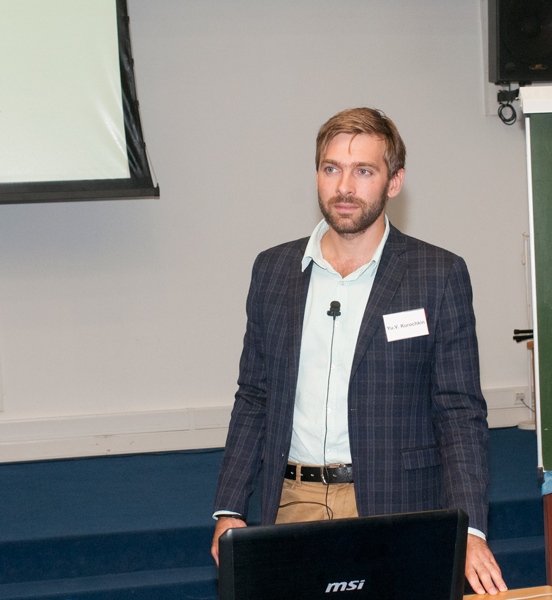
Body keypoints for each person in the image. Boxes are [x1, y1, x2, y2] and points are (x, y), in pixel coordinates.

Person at [211, 107, 506, 595]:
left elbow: (459, 412)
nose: (344, 187)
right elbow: (254, 397)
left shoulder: (438, 274)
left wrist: (471, 529)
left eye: (363, 171)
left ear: (394, 182)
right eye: (332, 169)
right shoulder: (273, 271)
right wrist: (229, 508)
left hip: (396, 505)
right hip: (293, 504)